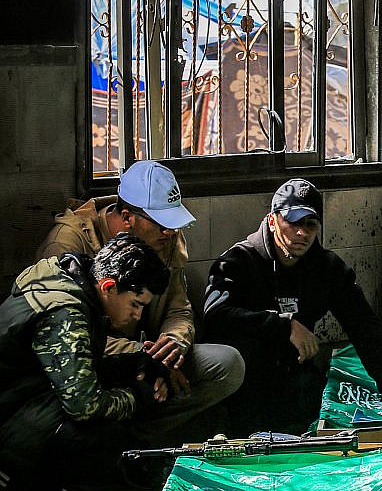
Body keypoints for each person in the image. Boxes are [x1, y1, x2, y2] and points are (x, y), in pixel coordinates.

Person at [35, 160, 244, 442]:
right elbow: (62, 336)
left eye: (172, 224)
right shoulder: (67, 243)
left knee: (228, 364)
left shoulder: (164, 237)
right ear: (127, 217)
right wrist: (143, 358)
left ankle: (142, 438)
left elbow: (179, 309)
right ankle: (123, 437)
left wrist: (173, 345)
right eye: (161, 224)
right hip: (96, 361)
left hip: (153, 356)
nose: (169, 232)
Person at [203, 179, 382, 435]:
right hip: (244, 383)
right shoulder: (238, 261)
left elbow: (363, 325)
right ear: (272, 221)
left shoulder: (327, 268)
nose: (302, 233)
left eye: (310, 224)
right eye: (293, 222)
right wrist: (285, 326)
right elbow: (215, 316)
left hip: (294, 375)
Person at [0, 234, 170, 491]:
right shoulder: (66, 313)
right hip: (8, 418)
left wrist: (137, 363)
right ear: (108, 287)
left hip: (18, 400)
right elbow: (84, 405)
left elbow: (76, 366)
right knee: (102, 437)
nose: (137, 315)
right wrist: (138, 396)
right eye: (135, 304)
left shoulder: (66, 278)